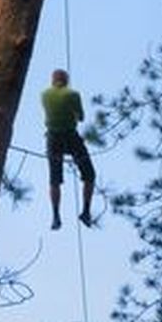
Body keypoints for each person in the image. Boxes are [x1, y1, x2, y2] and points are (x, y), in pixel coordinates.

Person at [40, 68, 96, 230]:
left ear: (52, 80)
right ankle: (86, 211)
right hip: (71, 137)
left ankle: (56, 215)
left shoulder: (44, 95)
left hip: (53, 139)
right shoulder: (72, 94)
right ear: (66, 80)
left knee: (54, 179)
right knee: (89, 174)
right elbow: (81, 117)